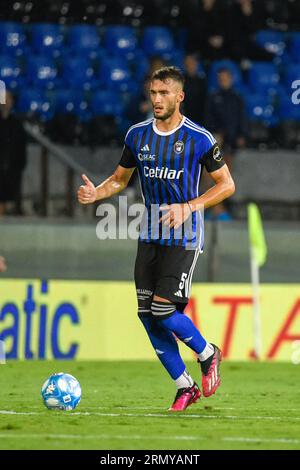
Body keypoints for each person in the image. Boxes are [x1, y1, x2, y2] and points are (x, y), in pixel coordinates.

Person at [77, 67, 235, 411]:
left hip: (185, 236)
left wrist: (188, 207)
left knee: (164, 308)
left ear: (179, 96)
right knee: (148, 315)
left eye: (164, 93)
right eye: (153, 93)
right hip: (149, 234)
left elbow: (227, 185)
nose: (157, 99)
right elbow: (120, 179)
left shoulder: (199, 138)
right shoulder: (137, 135)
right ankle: (184, 386)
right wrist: (97, 193)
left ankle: (208, 354)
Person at [205, 67, 247, 219]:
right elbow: (208, 119)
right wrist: (216, 133)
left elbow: (241, 118)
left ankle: (222, 208)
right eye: (220, 78)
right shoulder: (213, 97)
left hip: (230, 144)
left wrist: (241, 135)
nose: (223, 80)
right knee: (212, 177)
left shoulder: (236, 98)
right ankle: (215, 209)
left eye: (225, 77)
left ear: (230, 78)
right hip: (216, 143)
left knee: (226, 178)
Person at [0, 90, 27, 216]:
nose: (5, 102)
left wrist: (19, 164)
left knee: (7, 196)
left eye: (8, 99)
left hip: (11, 168)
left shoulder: (16, 124)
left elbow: (20, 147)